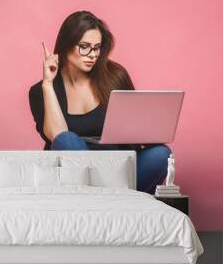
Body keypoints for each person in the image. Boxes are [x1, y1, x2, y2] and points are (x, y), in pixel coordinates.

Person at [28, 10, 172, 194]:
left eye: (96, 47)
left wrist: (150, 130)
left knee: (162, 154)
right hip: (77, 175)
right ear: (66, 46)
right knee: (67, 139)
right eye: (84, 46)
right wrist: (48, 83)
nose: (92, 55)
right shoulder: (40, 91)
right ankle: (109, 197)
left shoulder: (115, 76)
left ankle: (107, 197)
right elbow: (56, 135)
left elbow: (134, 127)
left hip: (118, 170)